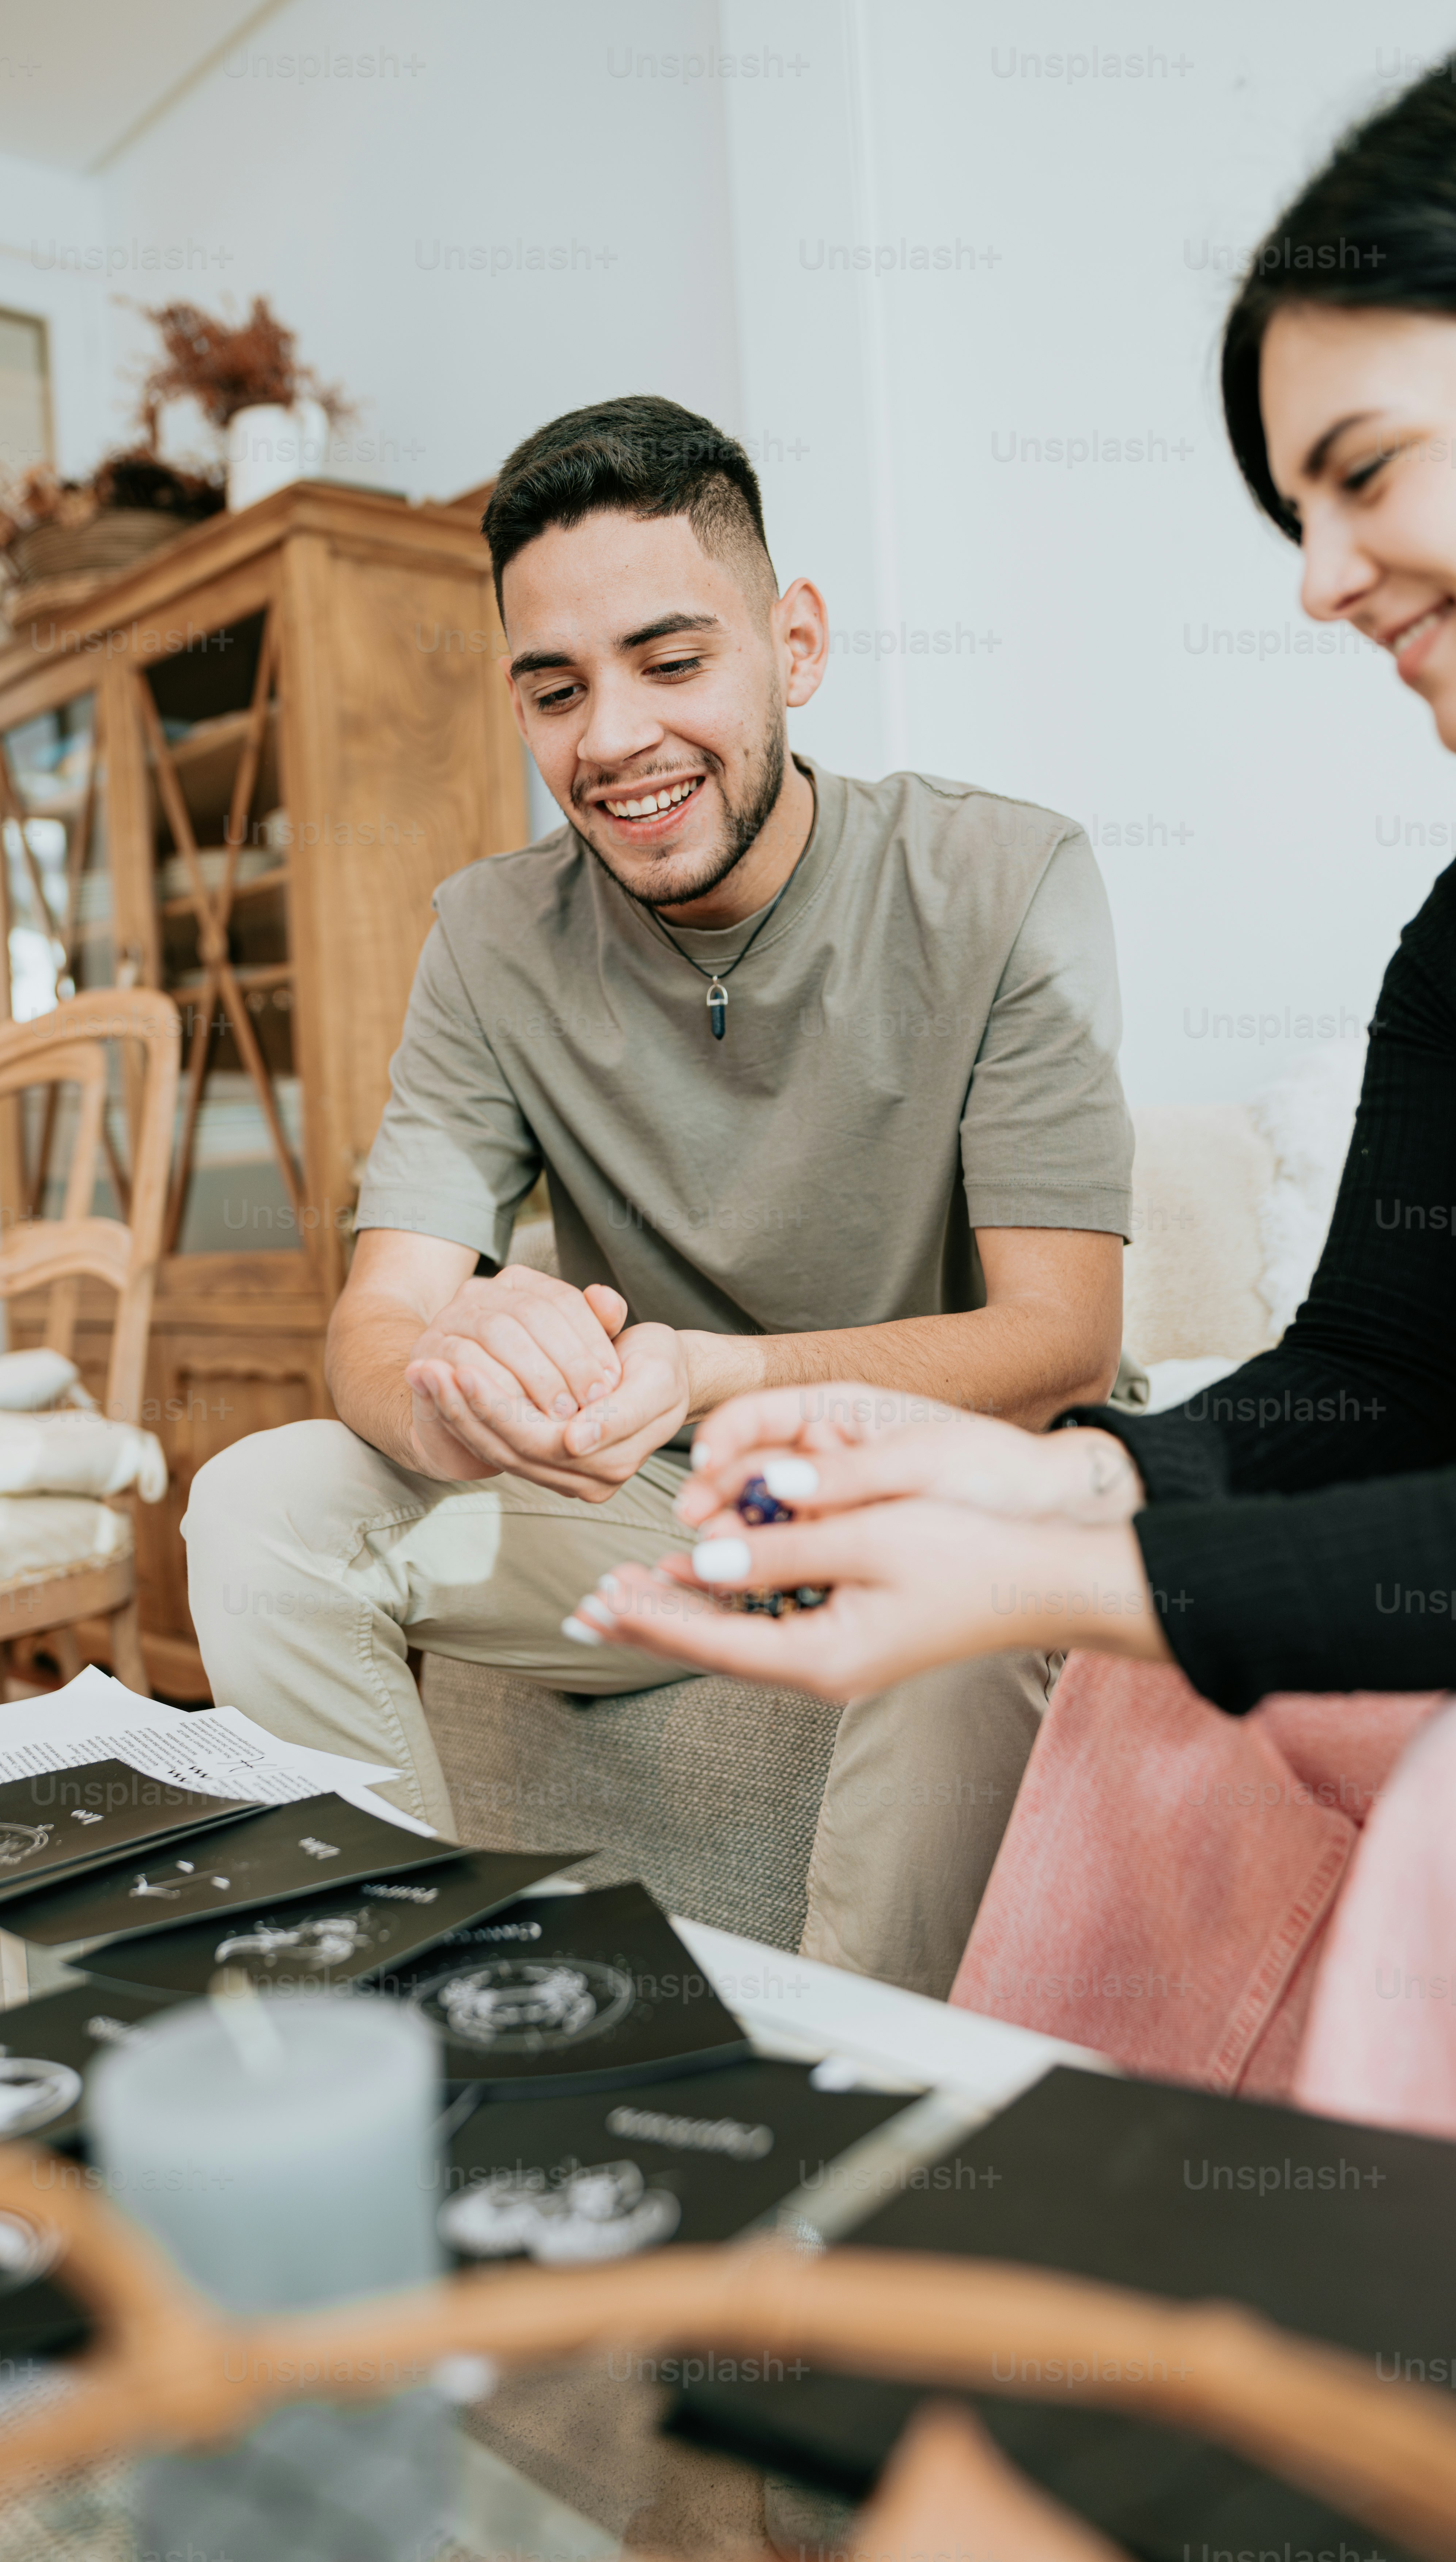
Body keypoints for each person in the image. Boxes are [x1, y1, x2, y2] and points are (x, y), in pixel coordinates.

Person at [566, 68, 1456, 2127]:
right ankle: (1040, 2283)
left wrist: (1074, 1554)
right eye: (1288, 517)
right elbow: (1378, 1377)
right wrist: (1041, 1480)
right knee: (1153, 1689)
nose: (1319, 580)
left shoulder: (1000, 881)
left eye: (1365, 471)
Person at [183, 393, 1135, 1997]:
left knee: (976, 1601)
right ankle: (443, 2029)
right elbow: (378, 1316)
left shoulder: (1001, 882)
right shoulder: (489, 938)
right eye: (554, 690)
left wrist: (716, 1372)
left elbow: (1064, 1341)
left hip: (926, 1489)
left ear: (795, 644)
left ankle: (856, 2128)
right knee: (268, 1504)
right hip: (645, 1514)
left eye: (671, 661)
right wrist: (452, 1400)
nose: (611, 737)